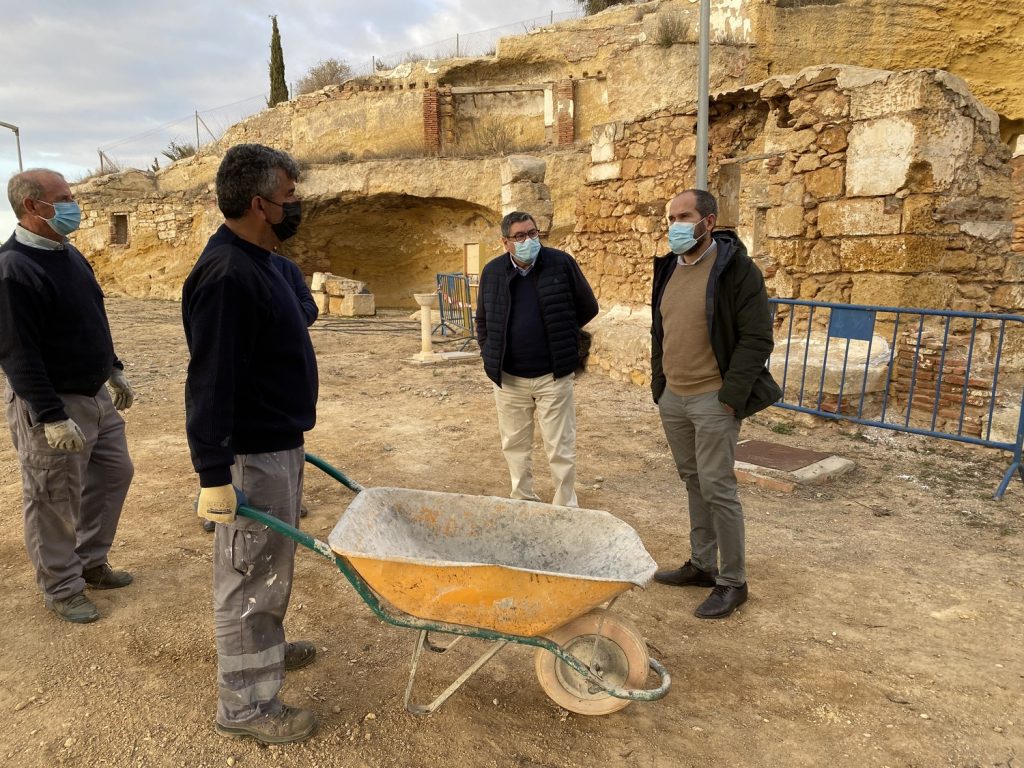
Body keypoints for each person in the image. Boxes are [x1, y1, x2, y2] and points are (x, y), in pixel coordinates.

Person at [182, 143, 319, 744]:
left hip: (276, 443)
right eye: (289, 196)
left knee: (268, 569)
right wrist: (214, 474)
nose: (297, 205)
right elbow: (209, 382)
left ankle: (266, 651)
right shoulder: (226, 276)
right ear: (260, 205)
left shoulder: (264, 264)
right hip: (249, 454)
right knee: (246, 579)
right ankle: (244, 707)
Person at [0, 168, 135, 624]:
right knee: (53, 498)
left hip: (94, 395)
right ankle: (61, 587)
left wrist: (113, 367)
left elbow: (92, 316)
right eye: (64, 198)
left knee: (114, 473)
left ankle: (90, 561)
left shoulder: (69, 254)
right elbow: (17, 352)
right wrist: (51, 416)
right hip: (53, 402)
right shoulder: (12, 268)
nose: (74, 205)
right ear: (32, 206)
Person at [650, 189, 781, 619]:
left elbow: (756, 338)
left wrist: (730, 396)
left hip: (713, 397)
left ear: (708, 222)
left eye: (684, 217)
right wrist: (659, 384)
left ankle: (733, 581)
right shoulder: (667, 268)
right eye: (671, 218)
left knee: (718, 487)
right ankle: (703, 565)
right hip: (674, 397)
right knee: (693, 480)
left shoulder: (737, 270)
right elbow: (660, 331)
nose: (675, 225)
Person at [475, 211, 598, 507]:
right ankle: (523, 500)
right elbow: (482, 320)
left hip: (552, 376)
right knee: (514, 444)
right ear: (505, 242)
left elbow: (588, 307)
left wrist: (562, 334)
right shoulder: (492, 272)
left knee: (560, 445)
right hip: (509, 378)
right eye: (519, 236)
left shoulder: (561, 263)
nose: (528, 240)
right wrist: (489, 351)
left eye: (532, 233)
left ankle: (565, 505)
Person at [198, 251, 315, 533]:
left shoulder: (286, 269)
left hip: (283, 409)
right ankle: (218, 502)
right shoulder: (230, 269)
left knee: (276, 485)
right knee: (235, 462)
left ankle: (286, 501)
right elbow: (210, 379)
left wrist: (286, 316)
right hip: (250, 416)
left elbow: (309, 307)